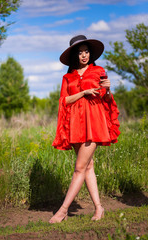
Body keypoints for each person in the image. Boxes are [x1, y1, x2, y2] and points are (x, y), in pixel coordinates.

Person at [49, 35, 120, 224]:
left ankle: (63, 210)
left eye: (86, 51)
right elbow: (64, 100)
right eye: (80, 52)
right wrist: (83, 92)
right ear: (74, 55)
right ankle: (99, 208)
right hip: (75, 125)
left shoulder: (98, 71)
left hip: (94, 122)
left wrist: (109, 90)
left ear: (90, 54)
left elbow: (106, 99)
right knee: (88, 166)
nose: (84, 55)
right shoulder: (68, 76)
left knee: (79, 168)